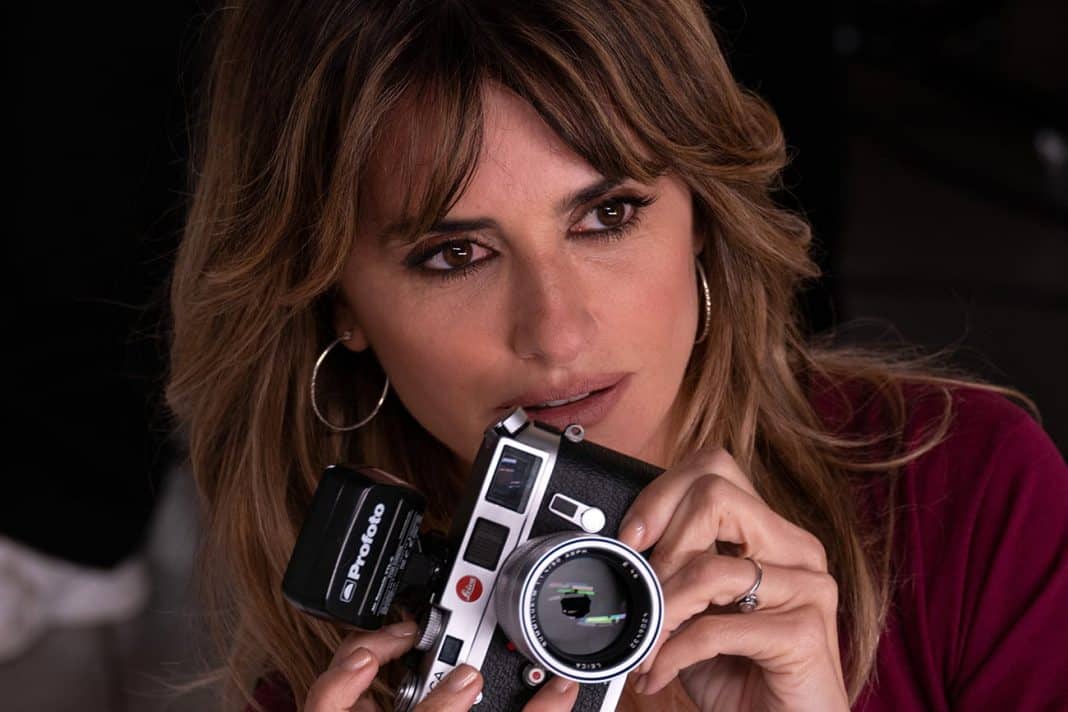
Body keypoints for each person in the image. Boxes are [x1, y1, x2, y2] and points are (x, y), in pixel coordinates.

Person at [166, 1, 1068, 710]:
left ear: (703, 213)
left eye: (607, 216)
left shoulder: (972, 501)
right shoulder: (337, 690)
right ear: (339, 303)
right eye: (455, 255)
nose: (558, 333)